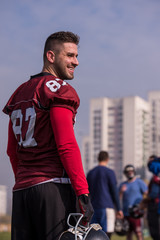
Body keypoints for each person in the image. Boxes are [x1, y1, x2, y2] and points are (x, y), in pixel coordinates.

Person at [3, 31, 93, 240]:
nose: (76, 62)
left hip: (22, 191)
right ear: (51, 56)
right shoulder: (59, 89)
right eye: (70, 55)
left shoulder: (19, 92)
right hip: (53, 188)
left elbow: (11, 150)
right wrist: (83, 191)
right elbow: (66, 144)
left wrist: (26, 180)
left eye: (76, 56)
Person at [87, 151, 123, 238]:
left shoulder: (90, 173)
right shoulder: (109, 172)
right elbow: (114, 192)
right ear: (107, 159)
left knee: (93, 234)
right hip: (106, 206)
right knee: (106, 234)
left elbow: (87, 193)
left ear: (98, 159)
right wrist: (119, 209)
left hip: (93, 207)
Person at [119, 164, 148, 240]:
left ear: (134, 172)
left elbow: (147, 194)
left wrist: (143, 206)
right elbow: (118, 199)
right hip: (126, 213)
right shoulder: (123, 185)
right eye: (128, 172)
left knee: (139, 233)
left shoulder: (139, 182)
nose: (130, 173)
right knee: (128, 234)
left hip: (136, 213)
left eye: (131, 171)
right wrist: (121, 192)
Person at [146, 155, 160, 240]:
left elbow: (154, 193)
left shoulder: (156, 175)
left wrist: (145, 200)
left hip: (156, 205)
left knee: (155, 231)